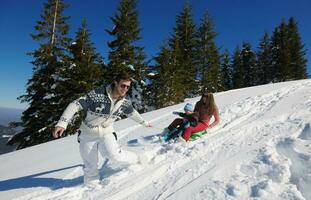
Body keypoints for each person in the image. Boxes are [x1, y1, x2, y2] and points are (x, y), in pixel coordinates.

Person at [52, 71, 152, 186]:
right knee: (90, 165)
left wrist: (144, 122)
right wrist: (62, 123)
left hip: (107, 132)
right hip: (88, 133)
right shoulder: (97, 94)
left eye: (127, 87)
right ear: (116, 83)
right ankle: (92, 187)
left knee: (114, 155)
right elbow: (75, 104)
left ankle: (137, 158)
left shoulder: (124, 102)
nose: (125, 89)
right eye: (122, 85)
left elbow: (132, 113)